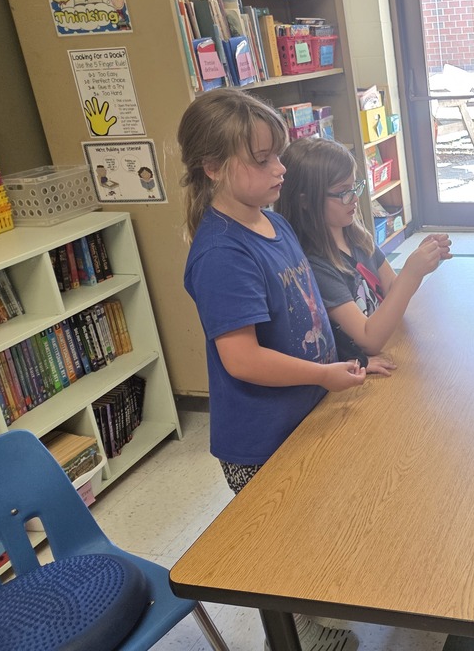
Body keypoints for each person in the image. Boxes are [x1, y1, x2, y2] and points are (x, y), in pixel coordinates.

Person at [179, 91, 366, 651]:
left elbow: (308, 313)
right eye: (262, 160)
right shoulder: (221, 253)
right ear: (213, 168)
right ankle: (297, 634)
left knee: (315, 527)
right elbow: (243, 359)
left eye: (277, 155)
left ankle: (316, 612)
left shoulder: (273, 225)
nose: (279, 168)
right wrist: (325, 376)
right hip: (260, 440)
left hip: (303, 413)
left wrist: (345, 360)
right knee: (284, 549)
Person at [275, 138, 451, 376]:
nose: (354, 198)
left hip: (391, 345)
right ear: (305, 201)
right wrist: (411, 272)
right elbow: (369, 340)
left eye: (354, 188)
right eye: (342, 193)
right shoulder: (316, 264)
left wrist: (422, 261)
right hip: (353, 372)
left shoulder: (356, 237)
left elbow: (391, 290)